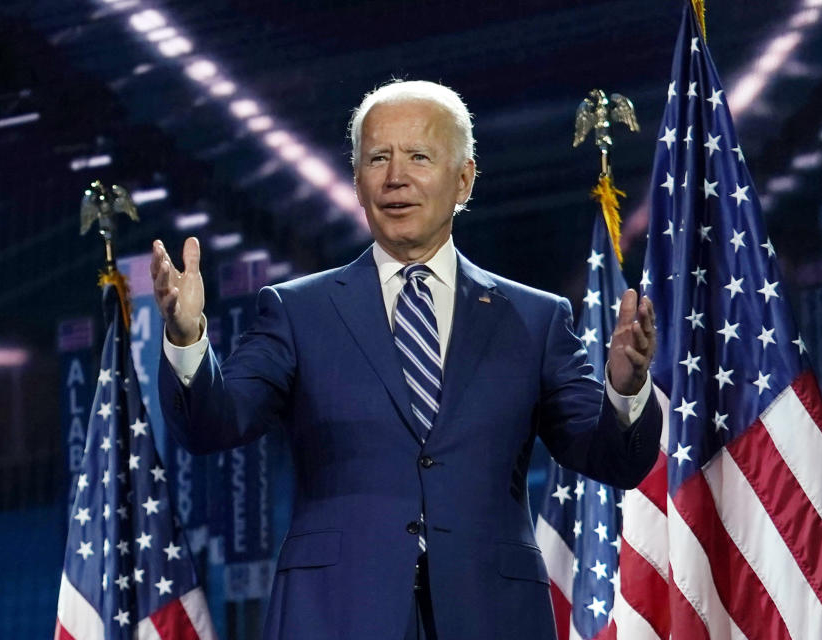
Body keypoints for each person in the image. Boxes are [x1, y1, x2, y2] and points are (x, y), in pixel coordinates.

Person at [151, 80, 660, 640]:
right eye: (378, 158)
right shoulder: (297, 310)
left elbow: (611, 460)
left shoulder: (534, 319)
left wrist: (626, 390)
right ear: (357, 180)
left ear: (463, 179)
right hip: (336, 614)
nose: (396, 177)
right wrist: (186, 337)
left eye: (419, 156)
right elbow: (214, 422)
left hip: (491, 614)